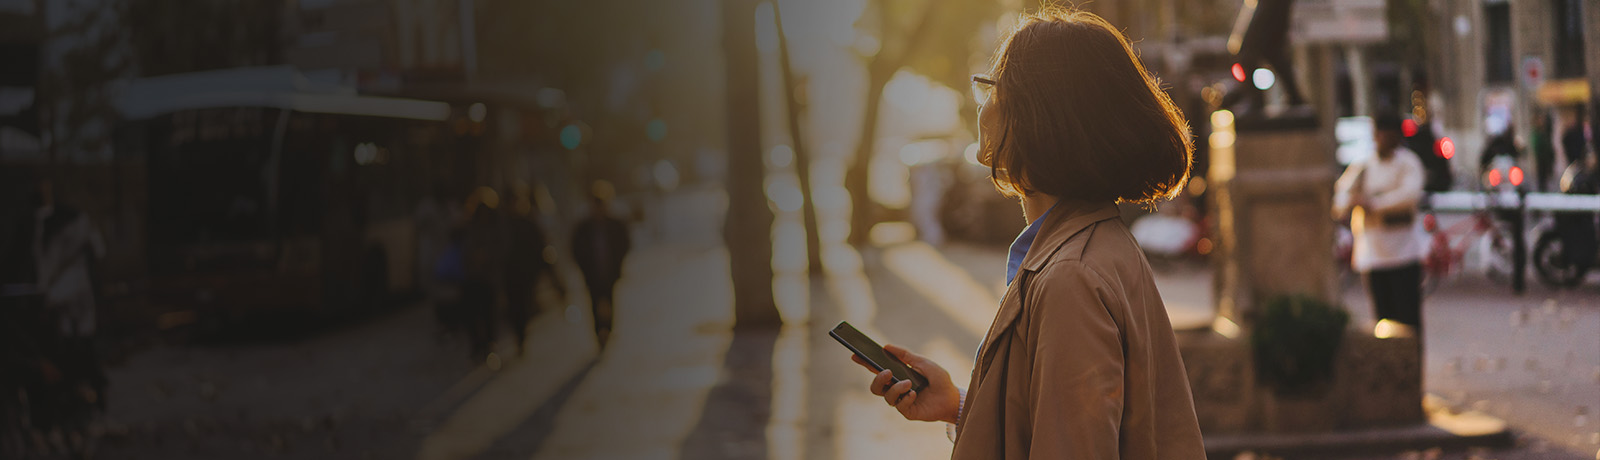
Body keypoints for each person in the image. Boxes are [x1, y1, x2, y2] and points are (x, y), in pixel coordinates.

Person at [853, 9, 1205, 459]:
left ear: (1037, 116)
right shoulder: (1094, 245)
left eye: (993, 86)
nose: (984, 103)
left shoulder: (1069, 277)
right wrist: (960, 406)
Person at [1333, 113, 1427, 338]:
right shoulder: (1363, 164)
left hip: (1403, 253)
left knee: (1408, 320)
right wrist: (1352, 202)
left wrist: (1374, 203)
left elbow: (1410, 195)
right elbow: (1340, 197)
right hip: (1374, 254)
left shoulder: (1408, 163)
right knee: (1382, 322)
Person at [503, 184, 563, 355]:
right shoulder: (503, 224)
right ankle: (520, 336)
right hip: (510, 274)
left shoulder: (528, 222)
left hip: (527, 274)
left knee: (523, 306)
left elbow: (540, 248)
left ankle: (522, 335)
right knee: (515, 307)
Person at [571, 183, 630, 350]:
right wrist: (583, 267)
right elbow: (575, 249)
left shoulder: (615, 224)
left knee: (609, 300)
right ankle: (599, 332)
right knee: (595, 302)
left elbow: (624, 244)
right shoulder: (583, 228)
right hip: (592, 273)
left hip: (609, 270)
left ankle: (608, 329)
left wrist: (619, 263)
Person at [459, 187, 505, 362]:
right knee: (472, 313)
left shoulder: (497, 224)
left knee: (489, 313)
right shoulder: (471, 225)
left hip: (490, 277)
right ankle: (477, 344)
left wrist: (487, 256)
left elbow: (503, 247)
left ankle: (488, 344)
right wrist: (473, 256)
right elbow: (465, 248)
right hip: (473, 277)